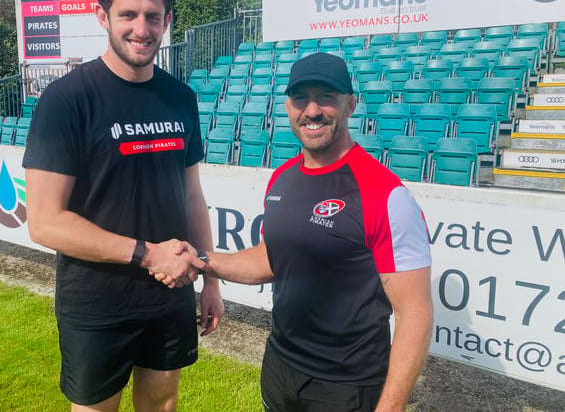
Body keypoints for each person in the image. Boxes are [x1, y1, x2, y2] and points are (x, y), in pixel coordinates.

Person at [178, 52, 434, 411]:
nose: (312, 110)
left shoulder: (385, 195)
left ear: (351, 104)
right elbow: (269, 260)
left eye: (326, 97)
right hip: (280, 368)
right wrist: (202, 261)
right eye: (301, 98)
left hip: (345, 387)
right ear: (287, 106)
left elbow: (415, 314)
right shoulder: (283, 178)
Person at [21, 0, 224, 410]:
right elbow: (44, 222)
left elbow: (191, 195)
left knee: (162, 402)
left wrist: (209, 279)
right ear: (102, 16)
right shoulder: (65, 100)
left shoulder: (180, 97)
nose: (141, 28)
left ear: (167, 20)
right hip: (97, 299)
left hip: (170, 291)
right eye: (128, 14)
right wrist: (148, 253)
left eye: (153, 16)